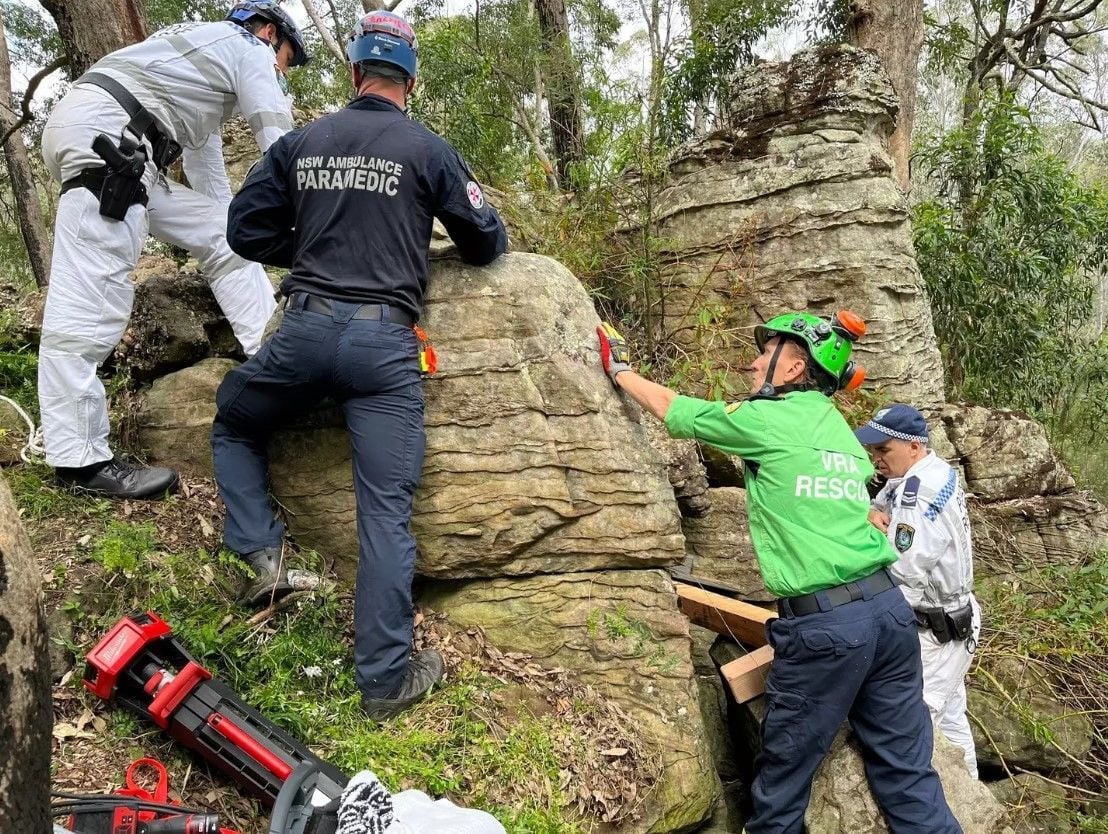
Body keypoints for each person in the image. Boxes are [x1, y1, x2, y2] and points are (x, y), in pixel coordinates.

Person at [213, 10, 508, 721]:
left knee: (233, 424)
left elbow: (243, 229)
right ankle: (383, 681)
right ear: (410, 77)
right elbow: (486, 242)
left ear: (354, 74)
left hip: (306, 330)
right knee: (384, 514)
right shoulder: (427, 148)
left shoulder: (302, 141)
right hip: (384, 348)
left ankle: (261, 555)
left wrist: (312, 250)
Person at [596, 314, 962, 834]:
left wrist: (620, 370)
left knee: (781, 788)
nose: (752, 361)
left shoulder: (765, 419)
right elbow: (854, 490)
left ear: (793, 368)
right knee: (908, 775)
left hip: (826, 631)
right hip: (889, 616)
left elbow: (676, 410)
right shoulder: (834, 425)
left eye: (765, 352)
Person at [38, 0, 309, 499]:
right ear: (270, 32)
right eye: (287, 60)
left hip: (120, 138)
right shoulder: (248, 48)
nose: (282, 72)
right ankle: (80, 461)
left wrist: (245, 230)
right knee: (91, 301)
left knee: (221, 232)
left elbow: (214, 194)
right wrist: (311, 227)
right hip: (111, 143)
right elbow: (280, 144)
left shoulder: (203, 67)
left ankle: (267, 348)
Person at [856, 404, 981, 778]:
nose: (876, 458)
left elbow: (904, 574)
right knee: (953, 718)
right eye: (872, 450)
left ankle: (935, 805)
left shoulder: (918, 494)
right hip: (954, 619)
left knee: (916, 720)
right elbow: (885, 502)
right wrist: (868, 511)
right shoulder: (933, 470)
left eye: (883, 450)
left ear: (914, 446)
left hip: (937, 629)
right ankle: (974, 799)